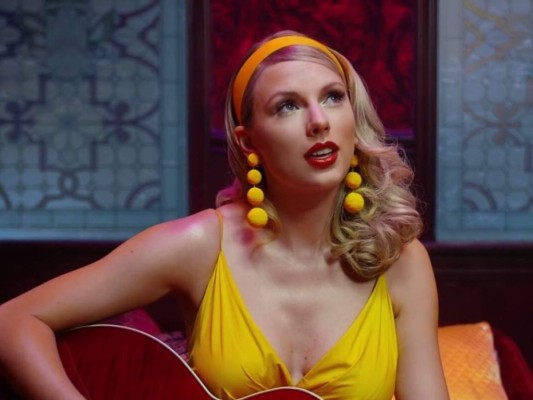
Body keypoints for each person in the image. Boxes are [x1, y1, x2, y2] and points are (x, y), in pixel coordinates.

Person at [0, 30, 449, 399]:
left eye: (333, 97)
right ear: (249, 141)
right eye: (287, 106)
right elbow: (13, 322)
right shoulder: (201, 246)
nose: (318, 121)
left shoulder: (400, 260)